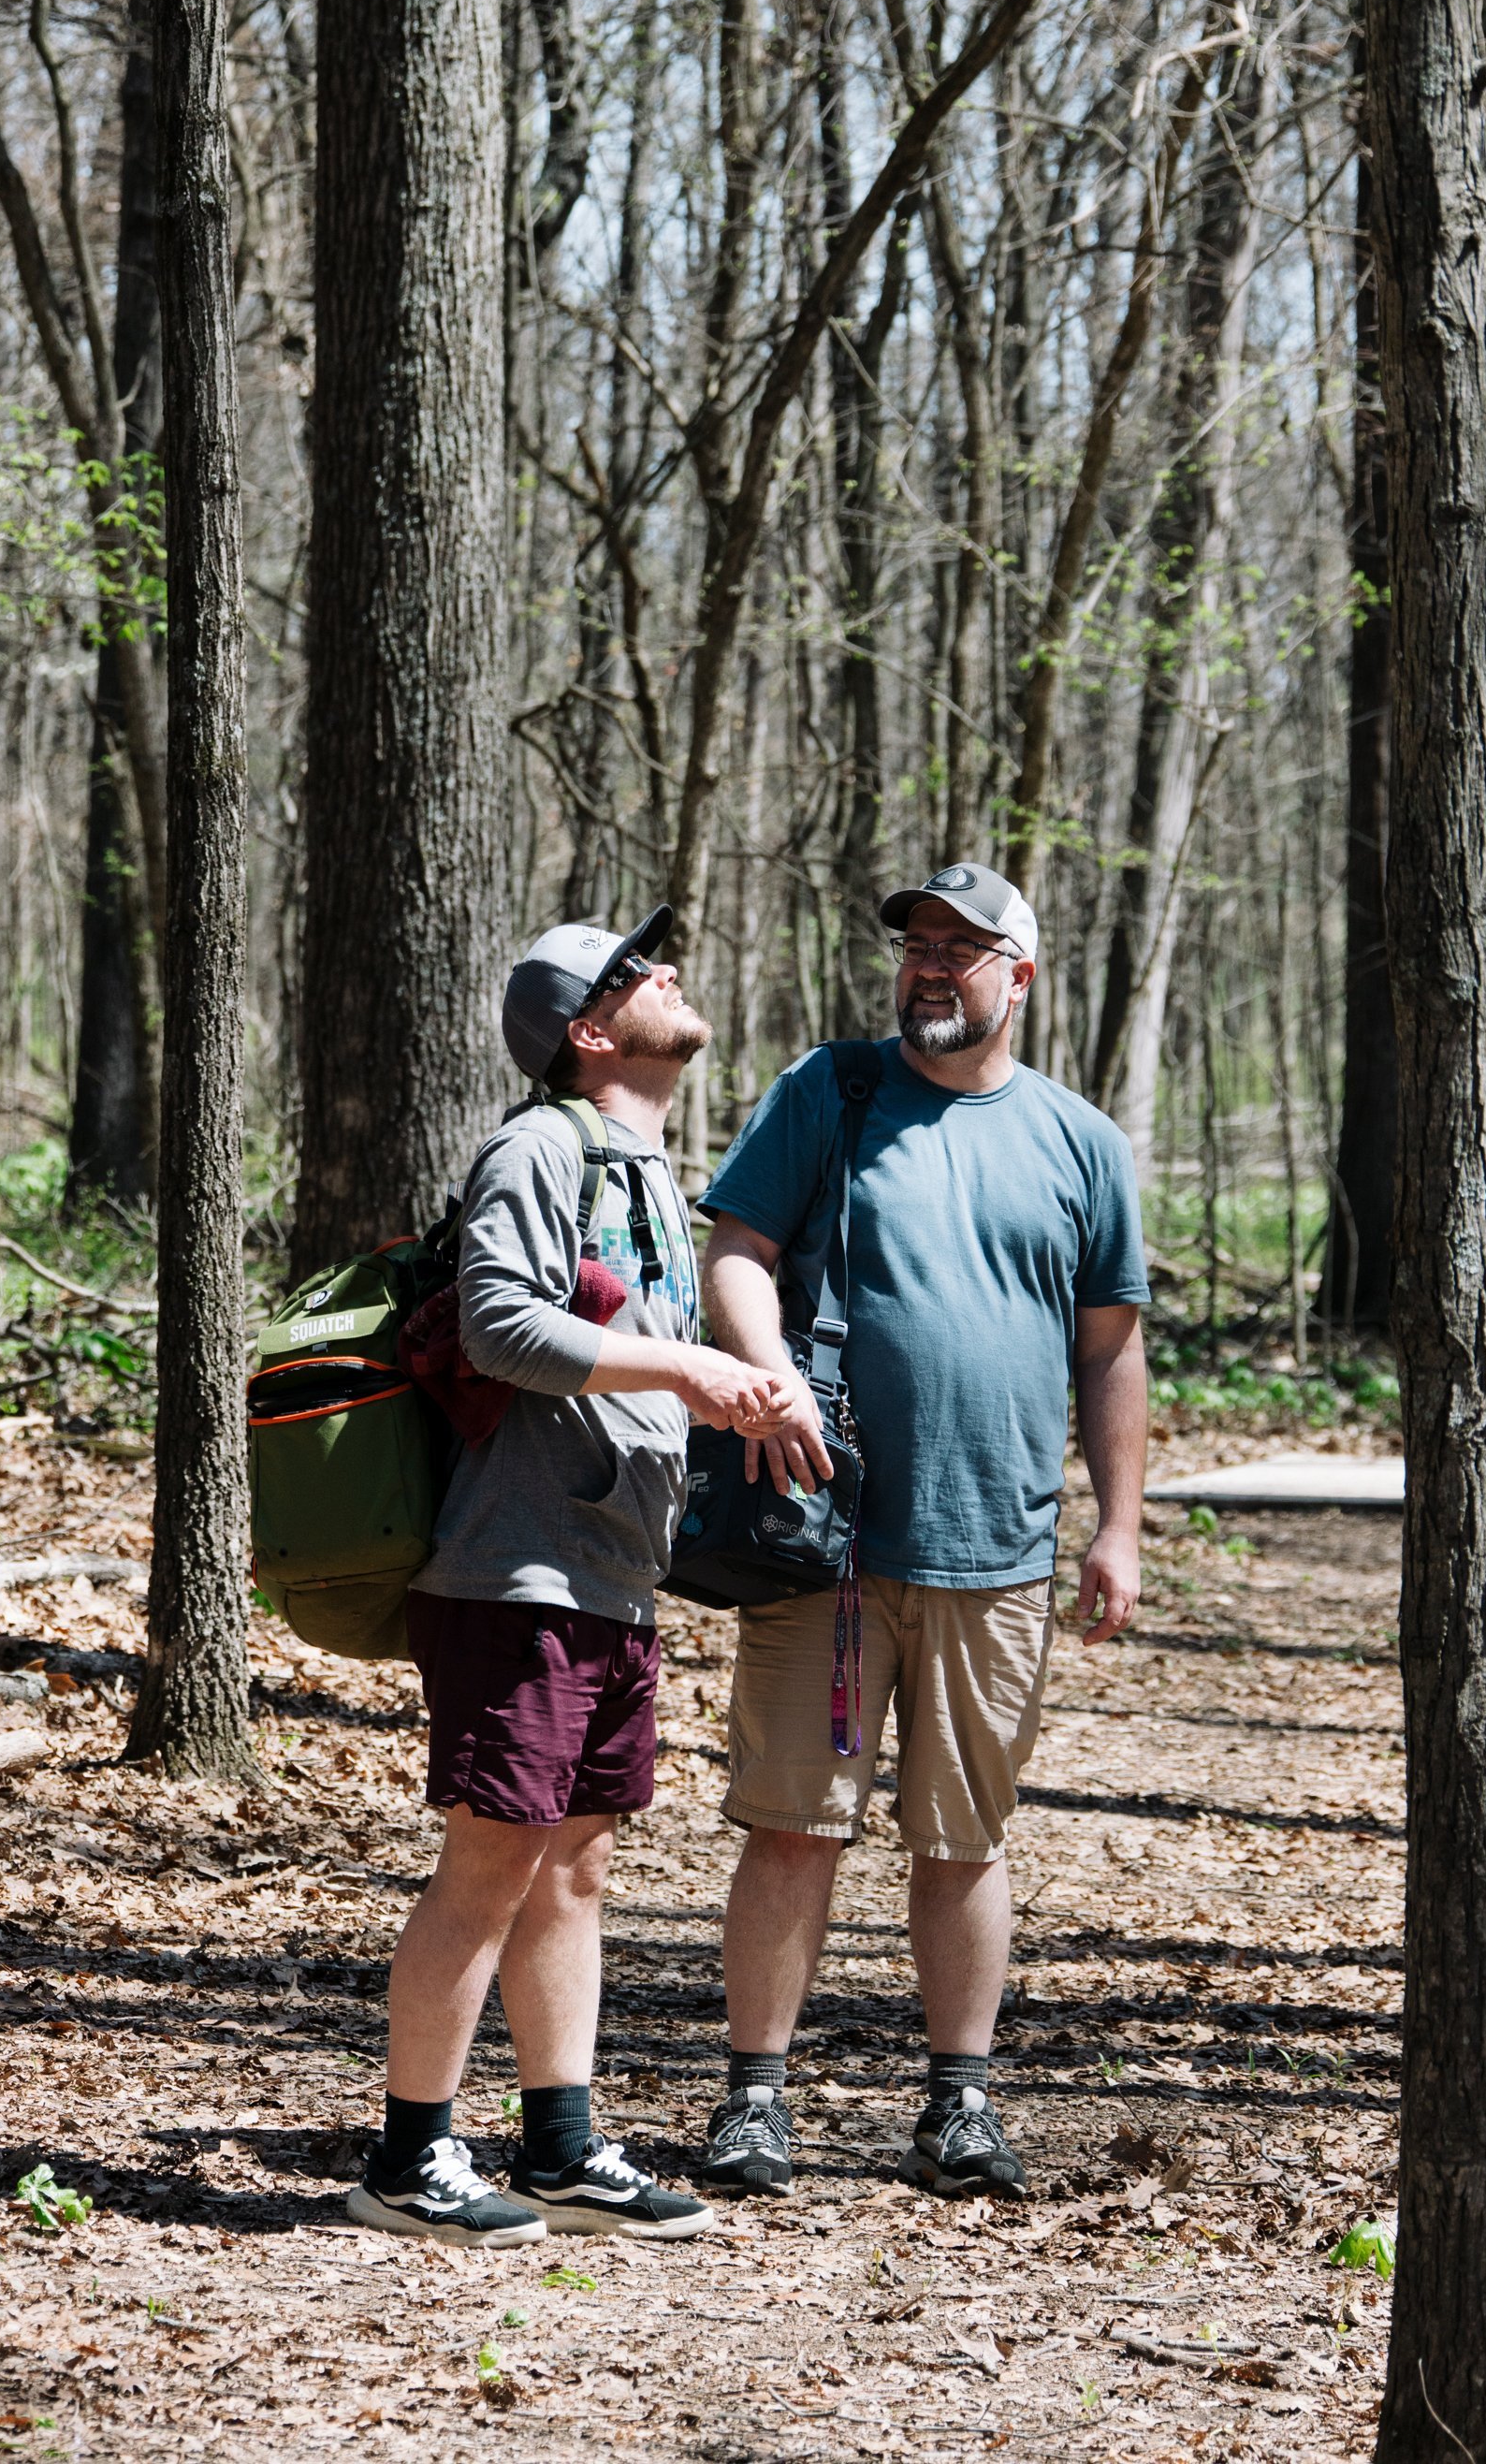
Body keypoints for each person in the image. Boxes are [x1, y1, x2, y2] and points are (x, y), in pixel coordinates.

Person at [692, 863, 1149, 2201]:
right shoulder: (827, 1094)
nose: (933, 965)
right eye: (919, 945)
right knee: (793, 1825)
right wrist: (765, 1374)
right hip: (820, 1546)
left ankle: (958, 2107)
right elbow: (736, 1248)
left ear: (1023, 974)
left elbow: (1111, 1350)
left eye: (966, 946)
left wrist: (1117, 1524)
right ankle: (754, 2101)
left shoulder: (1081, 1144)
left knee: (963, 1836)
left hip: (996, 1548)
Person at [349, 907, 791, 2248]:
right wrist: (688, 1368)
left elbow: (611, 1353)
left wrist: (715, 1399)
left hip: (608, 1574)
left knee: (574, 1867)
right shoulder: (538, 1146)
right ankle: (408, 2155)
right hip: (515, 1572)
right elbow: (499, 1325)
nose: (668, 976)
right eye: (635, 974)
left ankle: (560, 2143)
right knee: (489, 1862)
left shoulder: (647, 1169)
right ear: (592, 1032)